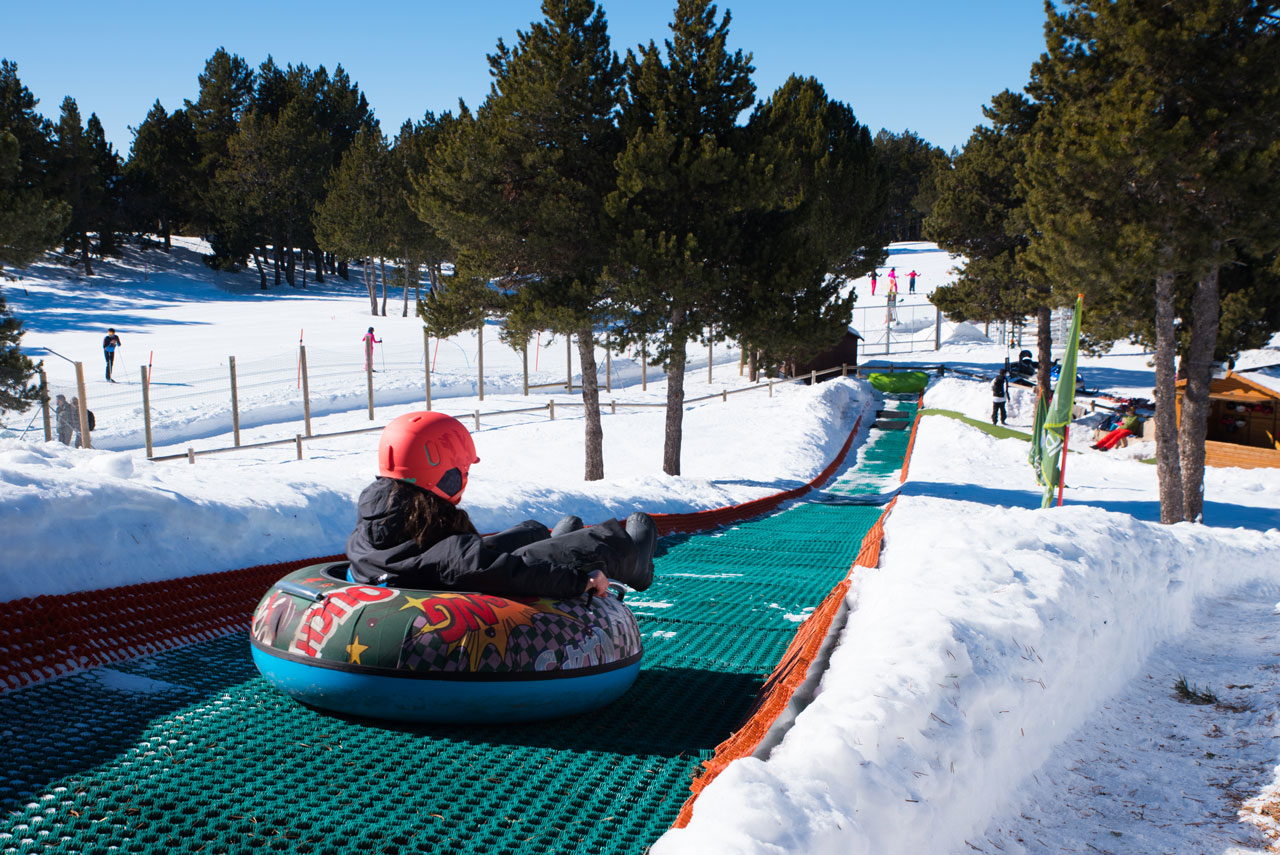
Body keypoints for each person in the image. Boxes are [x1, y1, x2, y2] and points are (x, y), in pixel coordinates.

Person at [345, 411, 657, 599]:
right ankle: (631, 559)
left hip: (426, 574)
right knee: (529, 560)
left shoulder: (374, 526)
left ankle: (549, 538)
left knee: (527, 533)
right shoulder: (450, 556)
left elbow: (458, 559)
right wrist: (578, 579)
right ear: (446, 475)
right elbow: (493, 570)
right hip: (455, 598)